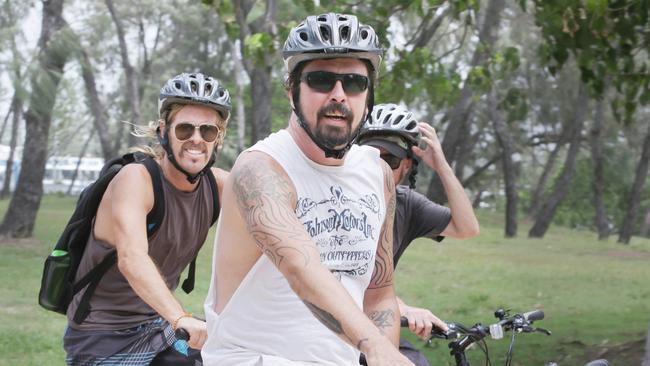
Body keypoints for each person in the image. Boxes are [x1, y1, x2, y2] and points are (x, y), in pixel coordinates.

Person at [202, 13, 414, 366]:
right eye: (320, 80)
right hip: (254, 358)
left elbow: (379, 294)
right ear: (291, 90)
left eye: (354, 83)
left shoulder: (378, 173)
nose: (338, 95)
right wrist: (373, 346)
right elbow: (303, 269)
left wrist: (383, 352)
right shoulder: (261, 168)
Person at [63, 72, 231, 366]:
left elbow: (272, 212)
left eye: (207, 131)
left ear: (219, 138)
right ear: (164, 131)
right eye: (185, 129)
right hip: (102, 337)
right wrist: (180, 317)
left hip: (158, 327)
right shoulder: (137, 179)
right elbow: (132, 258)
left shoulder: (217, 185)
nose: (196, 139)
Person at [358, 103, 480, 365]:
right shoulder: (337, 200)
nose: (376, 166)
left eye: (388, 159)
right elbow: (343, 280)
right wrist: (405, 308)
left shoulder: (407, 204)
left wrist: (442, 167)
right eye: (368, 155)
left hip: (379, 323)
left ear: (407, 166)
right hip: (334, 328)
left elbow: (467, 228)